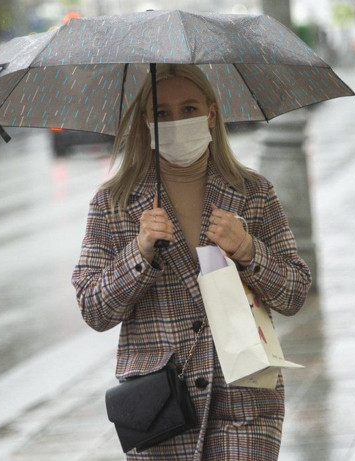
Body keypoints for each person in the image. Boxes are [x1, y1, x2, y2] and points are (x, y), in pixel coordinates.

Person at [72, 64, 312, 460]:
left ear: (211, 114)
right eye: (162, 113)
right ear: (145, 122)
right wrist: (140, 250)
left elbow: (295, 293)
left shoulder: (252, 192)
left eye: (189, 109)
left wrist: (248, 249)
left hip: (245, 398)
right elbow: (93, 308)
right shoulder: (114, 203)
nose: (177, 121)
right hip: (162, 409)